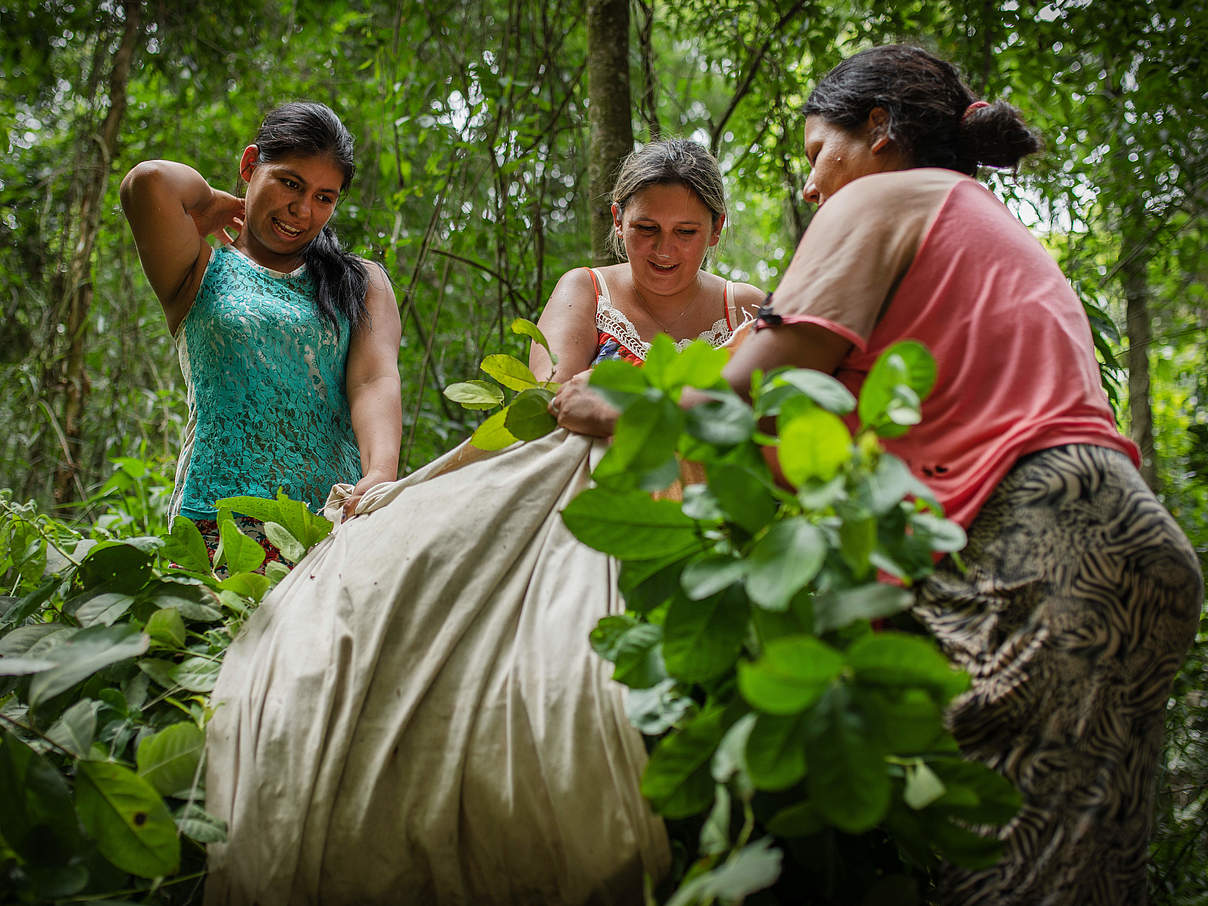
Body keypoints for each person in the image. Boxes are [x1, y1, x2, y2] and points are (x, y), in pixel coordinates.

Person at [203, 139, 762, 905]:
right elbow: (547, 409)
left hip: (703, 489)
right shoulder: (585, 288)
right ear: (616, 221)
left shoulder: (748, 310)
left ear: (717, 229)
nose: (664, 249)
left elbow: (764, 413)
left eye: (685, 232)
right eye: (645, 229)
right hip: (583, 476)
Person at [719, 44, 1203, 906]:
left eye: (814, 154)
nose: (810, 185)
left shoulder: (881, 194)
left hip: (1050, 555)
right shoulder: (978, 221)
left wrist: (613, 404)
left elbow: (748, 390)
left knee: (1012, 882)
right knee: (1090, 880)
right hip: (1117, 545)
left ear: (878, 132)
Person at [120, 102, 402, 561]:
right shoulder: (200, 267)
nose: (302, 209)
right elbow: (147, 182)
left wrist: (381, 472)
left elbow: (373, 380)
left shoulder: (361, 282)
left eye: (323, 197)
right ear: (251, 165)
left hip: (331, 523)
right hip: (216, 524)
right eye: (290, 183)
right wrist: (212, 203)